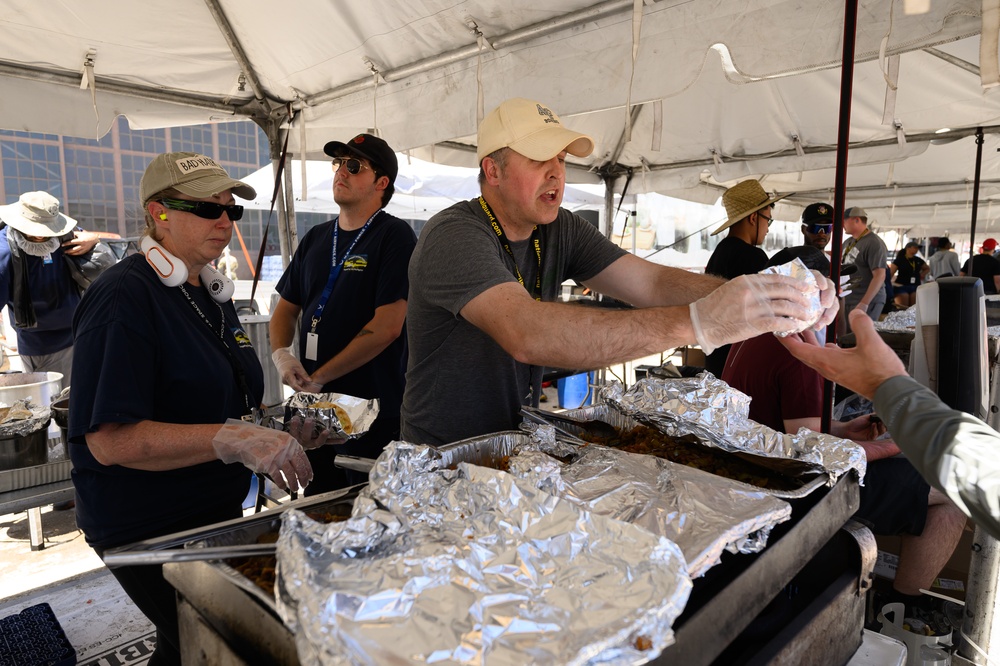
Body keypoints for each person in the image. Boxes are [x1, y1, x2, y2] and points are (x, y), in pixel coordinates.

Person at [400, 97, 838, 446]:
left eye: (562, 159)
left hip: (514, 450)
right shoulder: (453, 234)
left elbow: (651, 282)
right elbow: (526, 333)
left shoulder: (560, 228)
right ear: (491, 170)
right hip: (442, 458)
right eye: (538, 160)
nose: (557, 172)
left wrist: (763, 295)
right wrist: (698, 321)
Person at [69, 152, 328, 665]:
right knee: (223, 640)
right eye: (209, 210)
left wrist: (277, 431)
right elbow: (110, 440)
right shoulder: (123, 297)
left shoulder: (209, 293)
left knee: (189, 641)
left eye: (231, 211)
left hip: (209, 511)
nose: (225, 223)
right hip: (145, 522)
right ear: (158, 212)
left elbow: (218, 406)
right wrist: (238, 440)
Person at [722, 257, 965, 611]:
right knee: (949, 491)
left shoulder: (754, 333)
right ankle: (904, 608)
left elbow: (785, 428)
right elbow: (811, 452)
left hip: (759, 464)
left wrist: (843, 429)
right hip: (793, 487)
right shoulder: (799, 352)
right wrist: (891, 446)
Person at [271, 133, 416, 494]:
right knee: (319, 505)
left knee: (368, 510)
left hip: (373, 412)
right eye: (339, 164)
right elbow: (285, 310)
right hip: (316, 408)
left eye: (355, 166)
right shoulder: (317, 238)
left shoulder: (394, 236)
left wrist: (320, 376)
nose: (341, 172)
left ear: (382, 183)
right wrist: (282, 356)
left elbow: (387, 327)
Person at [782, 308, 1000, 542]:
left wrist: (883, 395)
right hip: (807, 486)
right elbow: (799, 440)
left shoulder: (776, 340)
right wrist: (893, 428)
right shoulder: (796, 353)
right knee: (948, 495)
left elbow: (788, 434)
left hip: (796, 480)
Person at [0, 191, 111, 382]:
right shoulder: (4, 251)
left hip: (81, 332)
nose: (43, 236)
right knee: (54, 403)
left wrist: (95, 238)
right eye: (37, 233)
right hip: (40, 345)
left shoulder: (65, 234)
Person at [702, 179, 785, 377]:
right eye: (768, 219)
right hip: (737, 359)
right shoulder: (752, 256)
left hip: (716, 354)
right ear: (754, 218)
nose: (768, 227)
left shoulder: (721, 251)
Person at [842, 206, 887, 327]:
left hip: (866, 299)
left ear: (856, 220)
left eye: (844, 221)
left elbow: (880, 275)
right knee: (846, 339)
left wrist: (864, 303)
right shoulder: (847, 242)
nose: (842, 224)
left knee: (861, 336)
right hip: (849, 298)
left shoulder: (874, 243)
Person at [889, 241, 928, 308]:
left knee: (914, 309)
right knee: (903, 308)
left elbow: (927, 268)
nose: (916, 250)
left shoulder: (918, 260)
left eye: (917, 248)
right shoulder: (899, 260)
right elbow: (891, 273)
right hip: (902, 285)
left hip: (915, 285)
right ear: (908, 248)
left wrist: (922, 274)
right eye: (915, 248)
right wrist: (889, 283)